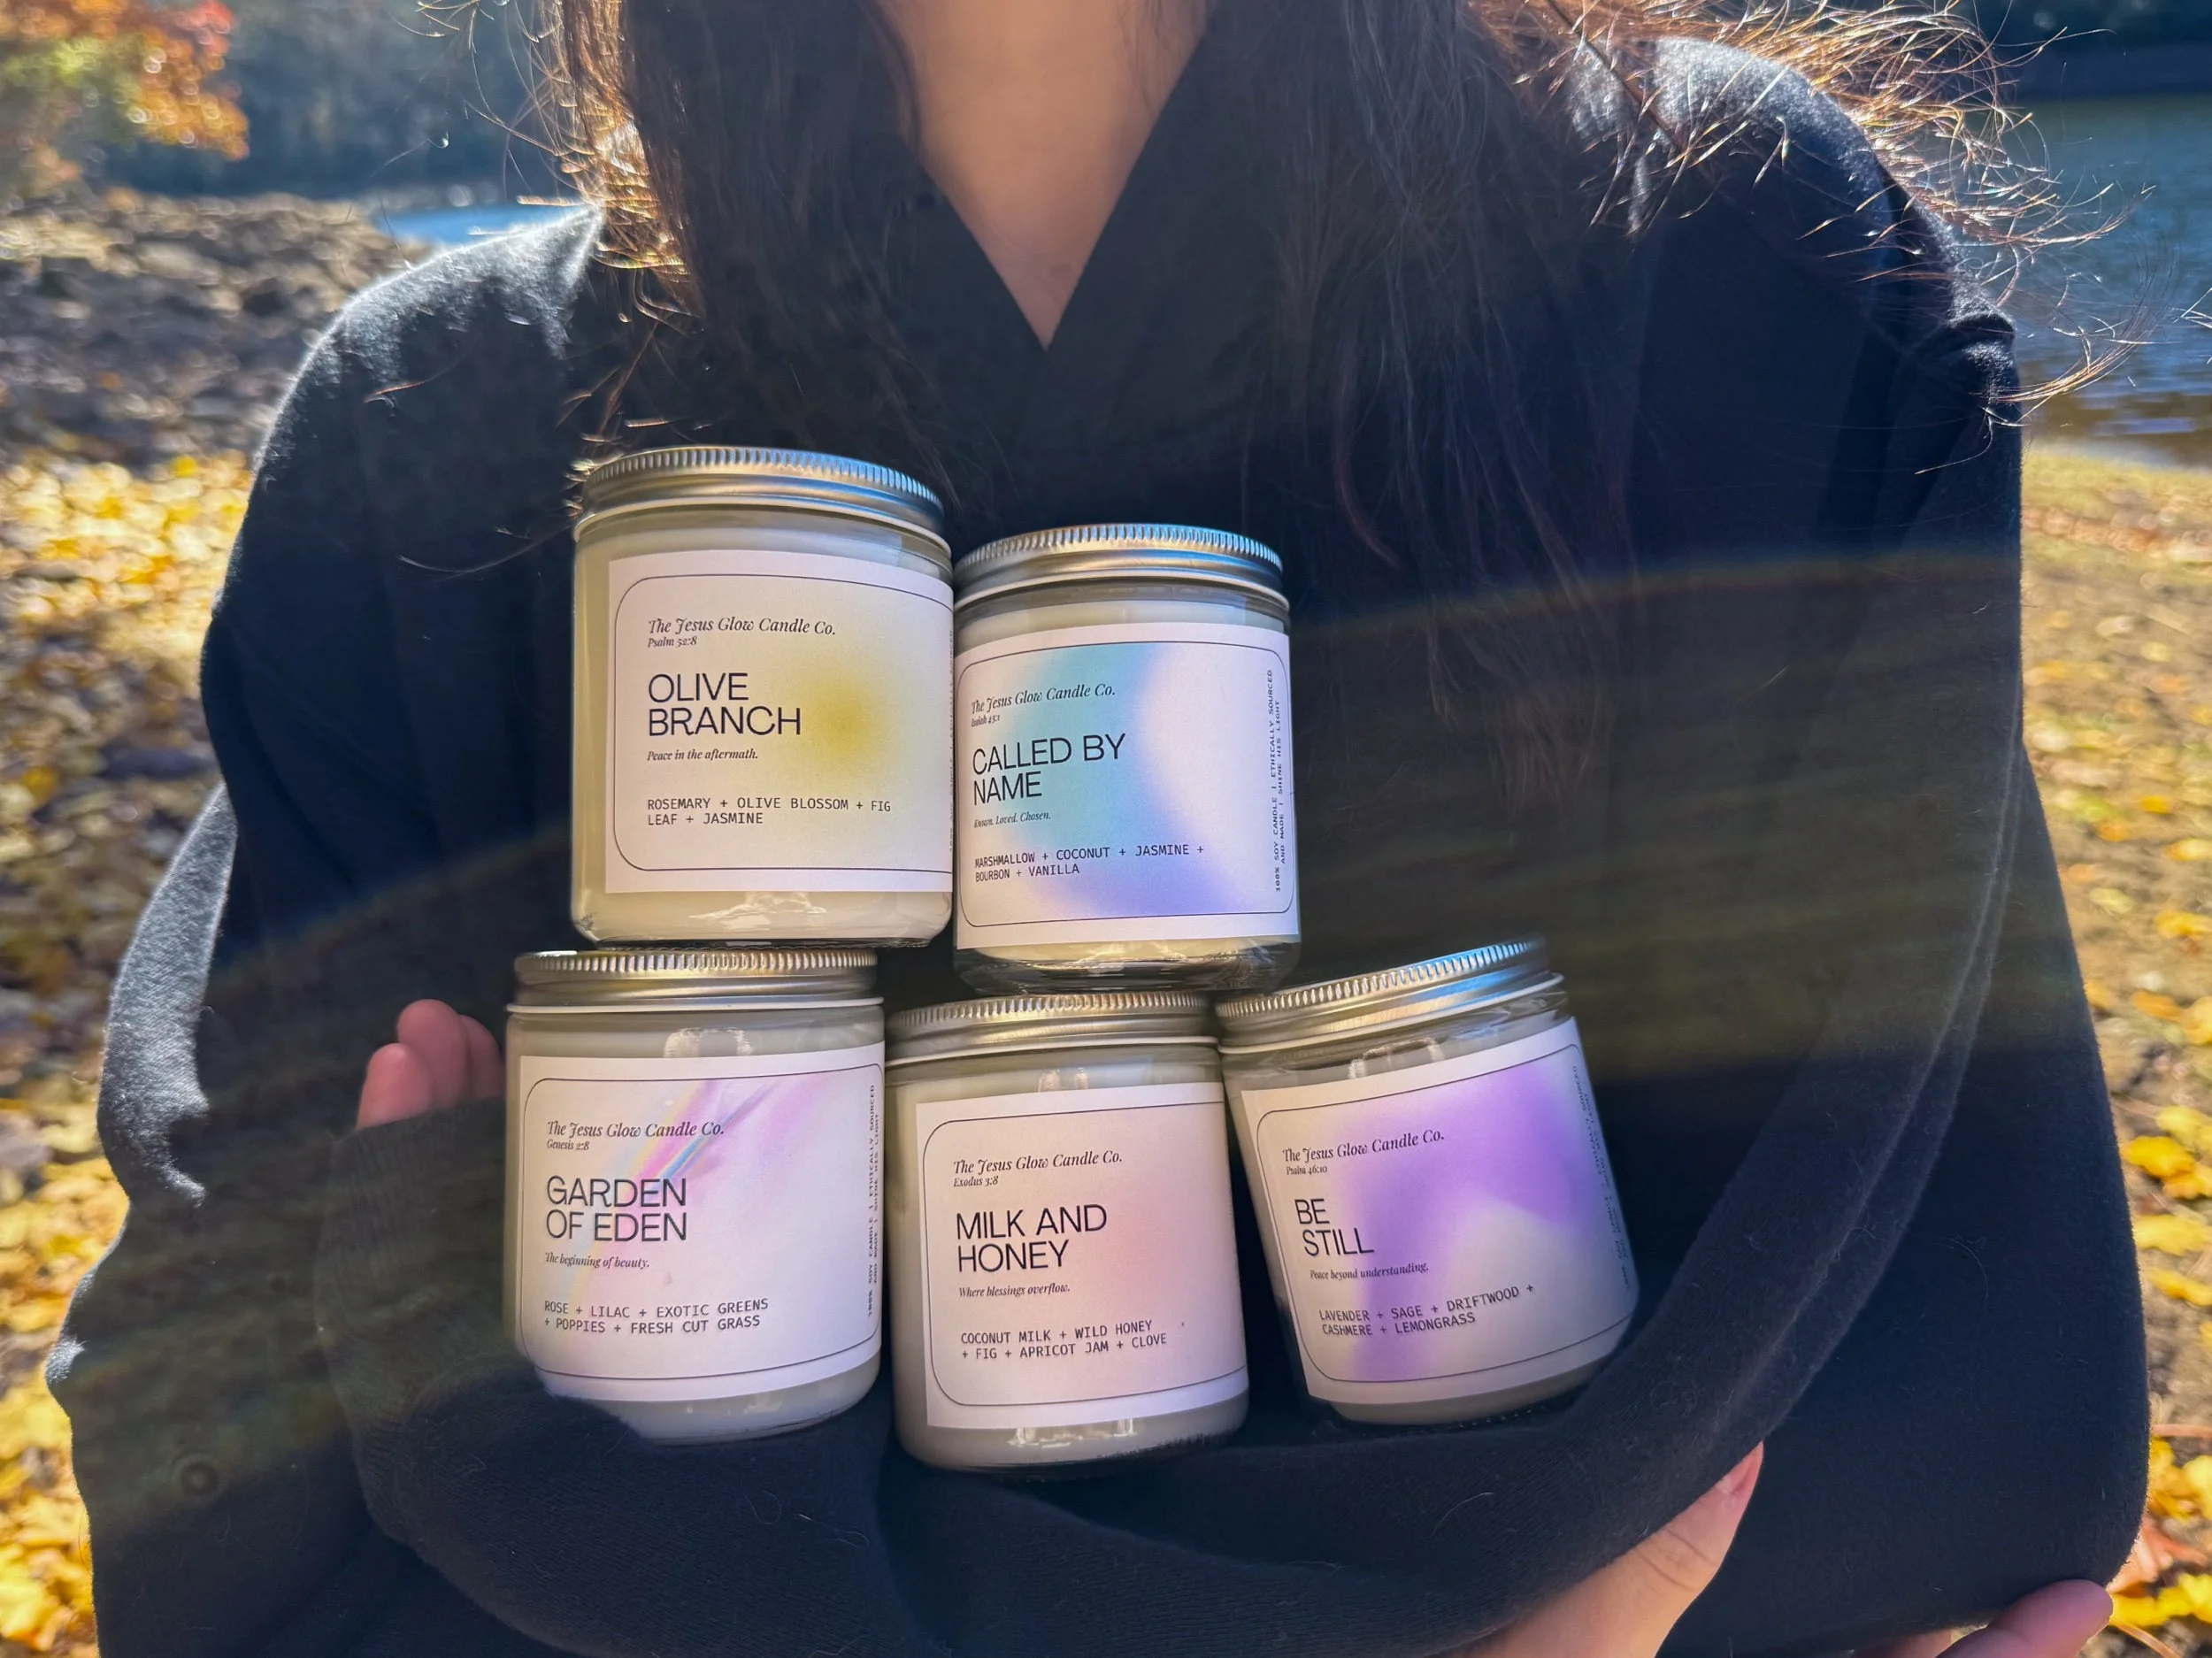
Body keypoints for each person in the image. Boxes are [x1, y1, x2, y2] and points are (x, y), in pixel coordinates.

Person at [52, 1, 2145, 1654]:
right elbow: (237, 1512)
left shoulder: (1731, 260)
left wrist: (576, 1515)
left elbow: (1930, 1416)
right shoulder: (438, 429)